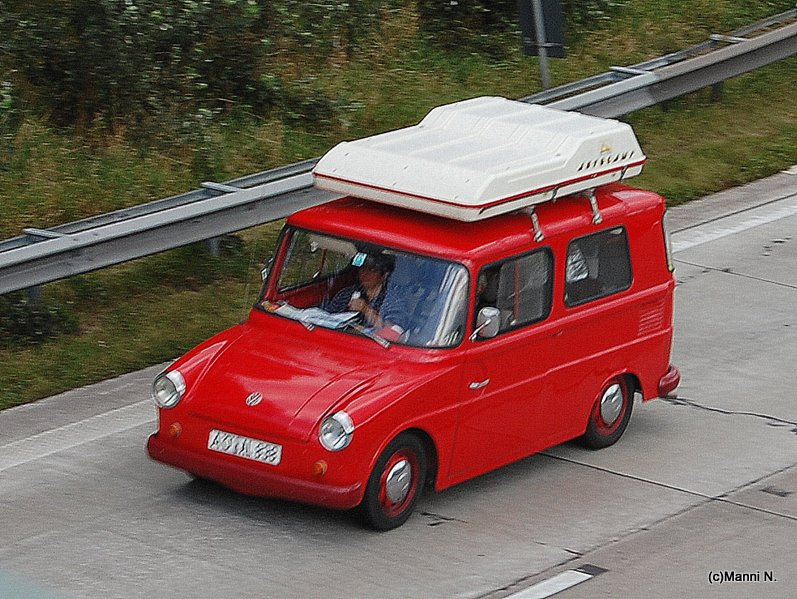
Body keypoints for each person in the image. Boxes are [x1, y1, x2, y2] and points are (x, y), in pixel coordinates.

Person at [324, 253, 394, 329]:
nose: (366, 274)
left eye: (372, 270)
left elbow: (391, 331)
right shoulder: (346, 294)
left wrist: (366, 310)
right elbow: (327, 319)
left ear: (384, 275)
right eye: (363, 269)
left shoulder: (391, 300)